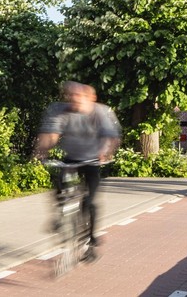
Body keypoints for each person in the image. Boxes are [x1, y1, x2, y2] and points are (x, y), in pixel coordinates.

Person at [35, 82, 121, 261]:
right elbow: (51, 134)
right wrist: (42, 151)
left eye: (77, 97)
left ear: (88, 98)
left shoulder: (100, 112)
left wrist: (105, 152)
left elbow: (110, 137)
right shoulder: (60, 110)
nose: (73, 101)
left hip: (93, 160)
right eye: (70, 96)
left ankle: (91, 240)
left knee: (89, 201)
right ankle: (60, 214)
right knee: (58, 183)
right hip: (72, 157)